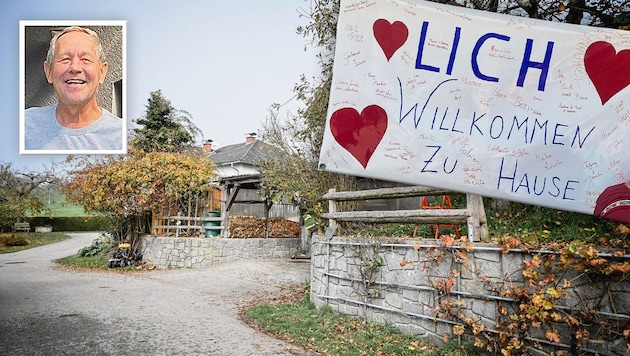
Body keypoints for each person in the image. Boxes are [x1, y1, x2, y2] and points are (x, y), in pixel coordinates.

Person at [24, 26, 123, 151]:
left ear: (102, 72)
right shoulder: (23, 127)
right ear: (48, 71)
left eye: (86, 59)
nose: (75, 68)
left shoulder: (125, 138)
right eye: (65, 59)